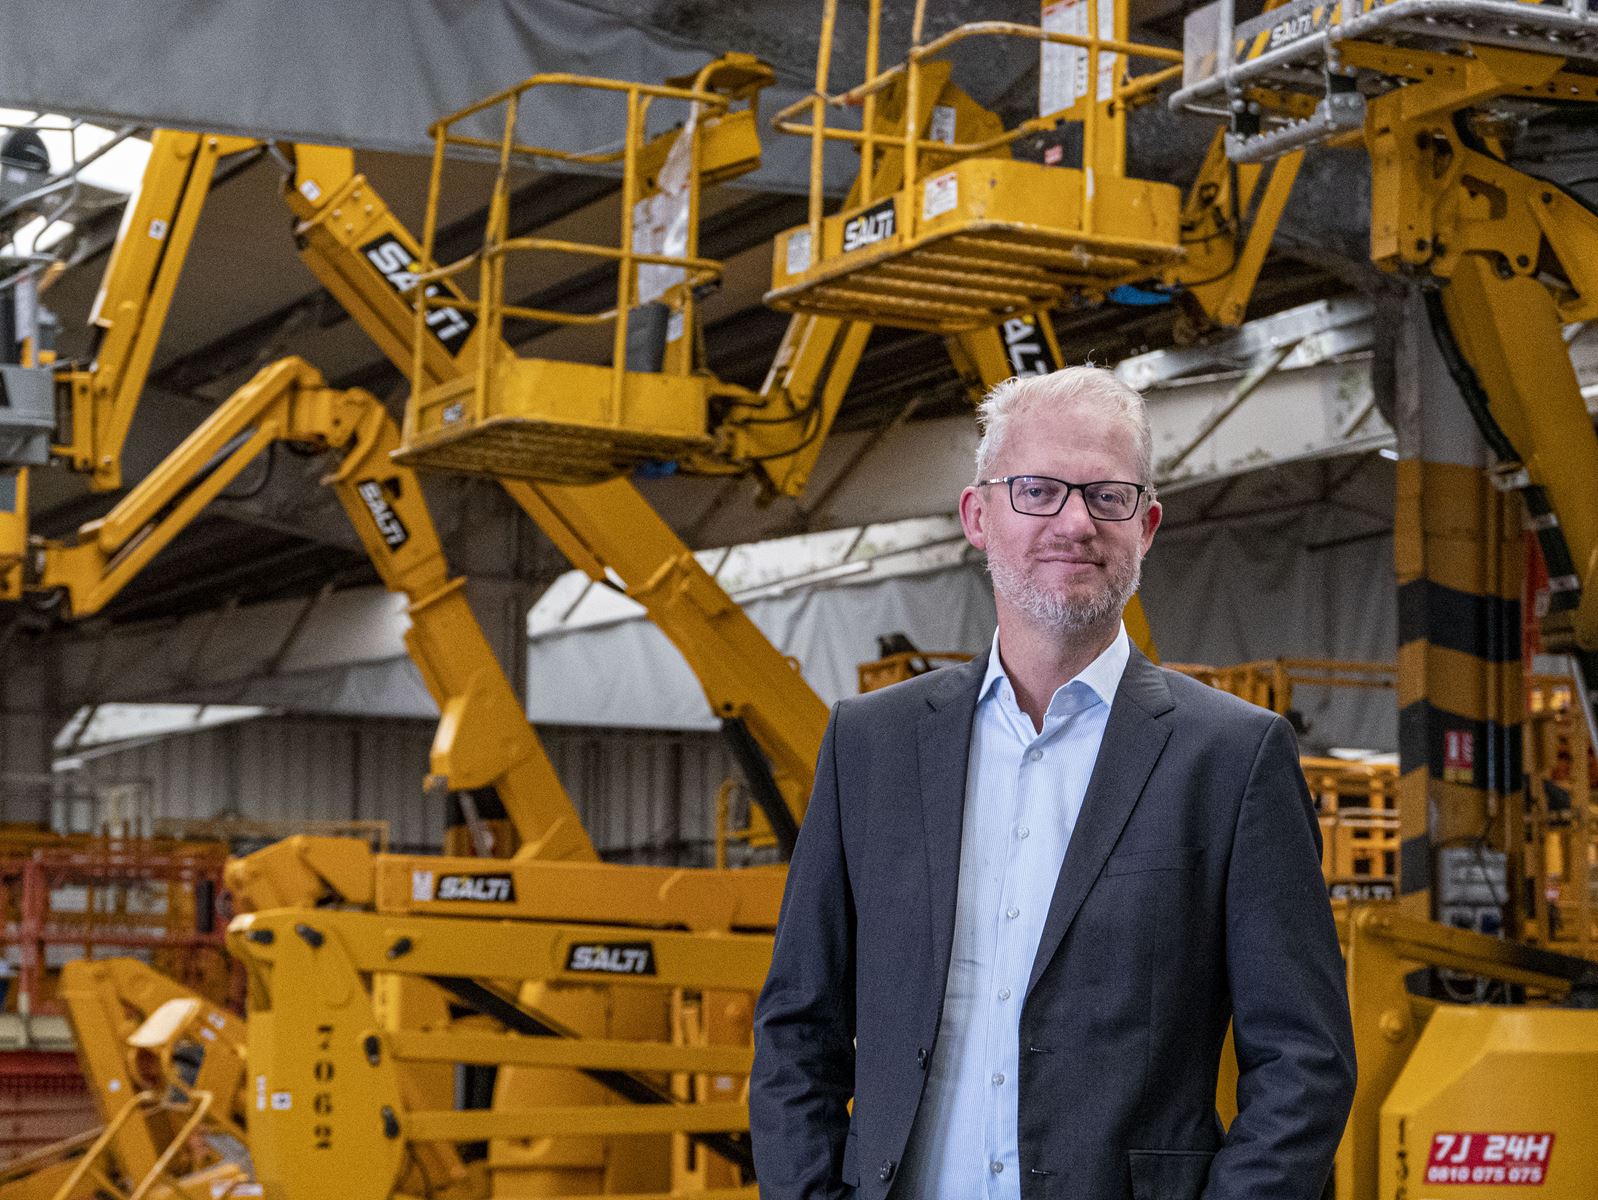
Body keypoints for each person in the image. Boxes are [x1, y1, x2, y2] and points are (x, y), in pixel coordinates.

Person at [750, 366, 1355, 1200]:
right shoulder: (871, 745)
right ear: (978, 515)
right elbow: (797, 1029)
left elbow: (1306, 1062)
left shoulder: (1233, 758)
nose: (1075, 522)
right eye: (1037, 489)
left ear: (1146, 525)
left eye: (1107, 496)